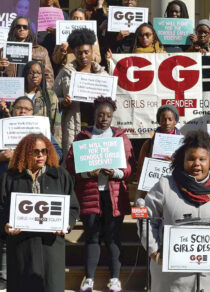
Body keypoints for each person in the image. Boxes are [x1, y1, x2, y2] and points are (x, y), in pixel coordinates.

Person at [141, 130, 210, 292]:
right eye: (191, 159)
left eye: (202, 159)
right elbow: (146, 219)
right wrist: (154, 251)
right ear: (182, 161)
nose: (197, 163)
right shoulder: (165, 186)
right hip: (172, 281)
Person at [66, 97, 135, 292]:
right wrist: (88, 173)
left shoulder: (121, 137)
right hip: (90, 194)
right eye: (100, 115)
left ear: (113, 117)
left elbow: (130, 168)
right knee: (91, 237)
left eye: (108, 115)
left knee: (113, 237)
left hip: (113, 195)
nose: (104, 118)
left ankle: (114, 279)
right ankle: (89, 279)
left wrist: (117, 173)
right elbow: (71, 165)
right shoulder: (83, 137)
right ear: (94, 115)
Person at [0, 133, 79, 292]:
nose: (41, 155)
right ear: (25, 152)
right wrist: (5, 225)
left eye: (44, 151)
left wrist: (67, 225)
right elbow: (1, 208)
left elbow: (73, 208)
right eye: (35, 151)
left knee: (51, 286)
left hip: (51, 246)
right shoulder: (10, 177)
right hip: (21, 247)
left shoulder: (60, 175)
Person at [53, 28, 108, 156]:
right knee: (74, 160)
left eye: (86, 52)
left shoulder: (102, 74)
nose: (83, 56)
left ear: (92, 51)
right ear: (74, 53)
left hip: (96, 126)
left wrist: (110, 102)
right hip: (73, 125)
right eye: (79, 53)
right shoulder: (64, 74)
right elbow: (53, 99)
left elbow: (111, 104)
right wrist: (63, 102)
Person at [0, 17, 55, 88]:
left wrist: (41, 94)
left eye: (25, 27)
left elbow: (49, 76)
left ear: (29, 30)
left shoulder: (41, 51)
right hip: (11, 91)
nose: (21, 29)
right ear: (14, 29)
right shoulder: (3, 51)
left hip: (33, 93)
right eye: (18, 26)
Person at [136, 104, 181, 183]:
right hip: (153, 185)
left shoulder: (183, 143)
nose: (167, 123)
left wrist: (175, 163)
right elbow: (140, 167)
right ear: (159, 121)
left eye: (170, 119)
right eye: (163, 119)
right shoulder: (148, 143)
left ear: (175, 121)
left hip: (175, 185)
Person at [21, 60, 62, 146]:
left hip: (43, 144)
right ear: (25, 75)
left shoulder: (50, 96)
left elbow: (56, 124)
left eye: (38, 73)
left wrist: (56, 148)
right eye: (31, 73)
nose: (35, 76)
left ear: (42, 76)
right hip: (21, 142)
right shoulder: (18, 94)